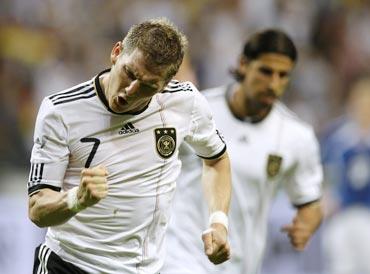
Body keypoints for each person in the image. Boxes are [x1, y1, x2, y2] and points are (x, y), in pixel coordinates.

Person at [27, 18, 232, 274]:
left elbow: (216, 159)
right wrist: (76, 199)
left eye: (147, 86)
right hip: (70, 265)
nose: (130, 91)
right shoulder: (61, 111)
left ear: (165, 85)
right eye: (129, 73)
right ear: (116, 53)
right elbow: (37, 208)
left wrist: (218, 221)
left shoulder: (185, 103)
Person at [162, 29, 323, 274]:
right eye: (266, 71)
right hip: (182, 255)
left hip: (241, 262)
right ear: (243, 64)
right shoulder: (197, 110)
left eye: (283, 75)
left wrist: (307, 225)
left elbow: (310, 202)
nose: (273, 84)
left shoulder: (296, 136)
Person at [321, 76, 370, 274]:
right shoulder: (339, 138)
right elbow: (324, 172)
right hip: (341, 216)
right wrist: (325, 196)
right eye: (361, 102)